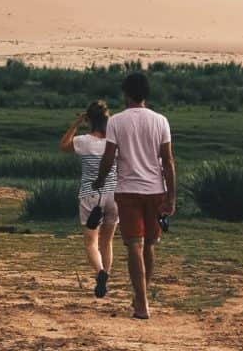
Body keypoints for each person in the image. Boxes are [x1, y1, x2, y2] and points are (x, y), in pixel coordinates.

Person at [90, 72, 174, 320]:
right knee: (149, 246)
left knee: (134, 246)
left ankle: (142, 305)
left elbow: (109, 157)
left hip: (128, 192)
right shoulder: (161, 121)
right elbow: (168, 161)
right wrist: (172, 197)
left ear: (126, 94)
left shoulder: (116, 121)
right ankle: (141, 298)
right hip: (155, 191)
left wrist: (99, 180)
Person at [59, 99, 119, 298]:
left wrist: (75, 124)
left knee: (91, 242)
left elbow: (64, 146)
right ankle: (106, 277)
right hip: (114, 195)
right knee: (107, 241)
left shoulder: (84, 141)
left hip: (91, 195)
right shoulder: (114, 142)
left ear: (89, 120)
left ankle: (100, 272)